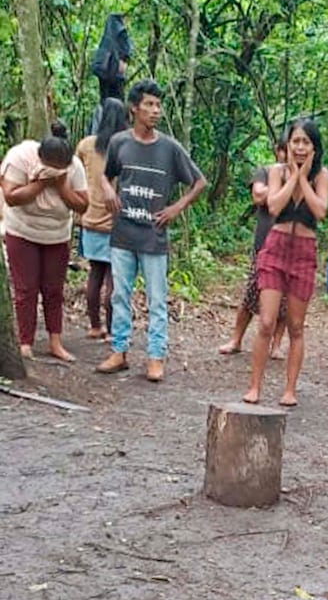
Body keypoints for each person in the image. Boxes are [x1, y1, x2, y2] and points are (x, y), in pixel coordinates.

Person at [96, 79, 206, 382]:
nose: (156, 110)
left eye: (158, 105)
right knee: (120, 295)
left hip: (153, 235)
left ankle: (156, 356)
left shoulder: (169, 148)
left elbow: (199, 182)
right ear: (134, 108)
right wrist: (108, 189)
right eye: (149, 104)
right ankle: (119, 351)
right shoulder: (119, 142)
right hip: (123, 232)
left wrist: (176, 208)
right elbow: (106, 174)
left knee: (157, 299)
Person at [243, 118, 328, 406]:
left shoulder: (322, 175)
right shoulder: (276, 171)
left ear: (314, 147)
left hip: (304, 252)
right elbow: (274, 205)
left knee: (295, 325)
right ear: (288, 144)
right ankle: (254, 387)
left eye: (306, 142)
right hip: (275, 248)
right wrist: (292, 174)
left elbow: (320, 211)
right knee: (266, 321)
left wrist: (304, 177)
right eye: (296, 142)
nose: (300, 147)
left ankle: (290, 390)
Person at [0, 122, 89, 361]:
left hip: (57, 235)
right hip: (22, 231)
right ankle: (25, 342)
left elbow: (82, 205)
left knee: (53, 290)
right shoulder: (20, 157)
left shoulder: (74, 167)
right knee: (25, 289)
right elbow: (11, 197)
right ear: (40, 158)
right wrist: (41, 183)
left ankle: (55, 342)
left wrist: (61, 186)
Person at [218, 137, 288, 358]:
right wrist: (285, 187)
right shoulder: (264, 171)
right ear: (277, 150)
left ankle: (276, 345)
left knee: (285, 300)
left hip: (290, 248)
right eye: (284, 150)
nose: (288, 155)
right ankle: (236, 339)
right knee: (251, 294)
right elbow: (258, 196)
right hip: (264, 245)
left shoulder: (302, 177)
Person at [76, 98, 128, 339]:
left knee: (95, 274)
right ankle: (112, 329)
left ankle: (95, 326)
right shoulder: (127, 146)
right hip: (118, 221)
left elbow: (76, 173)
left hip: (91, 217)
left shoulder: (86, 145)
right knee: (114, 278)